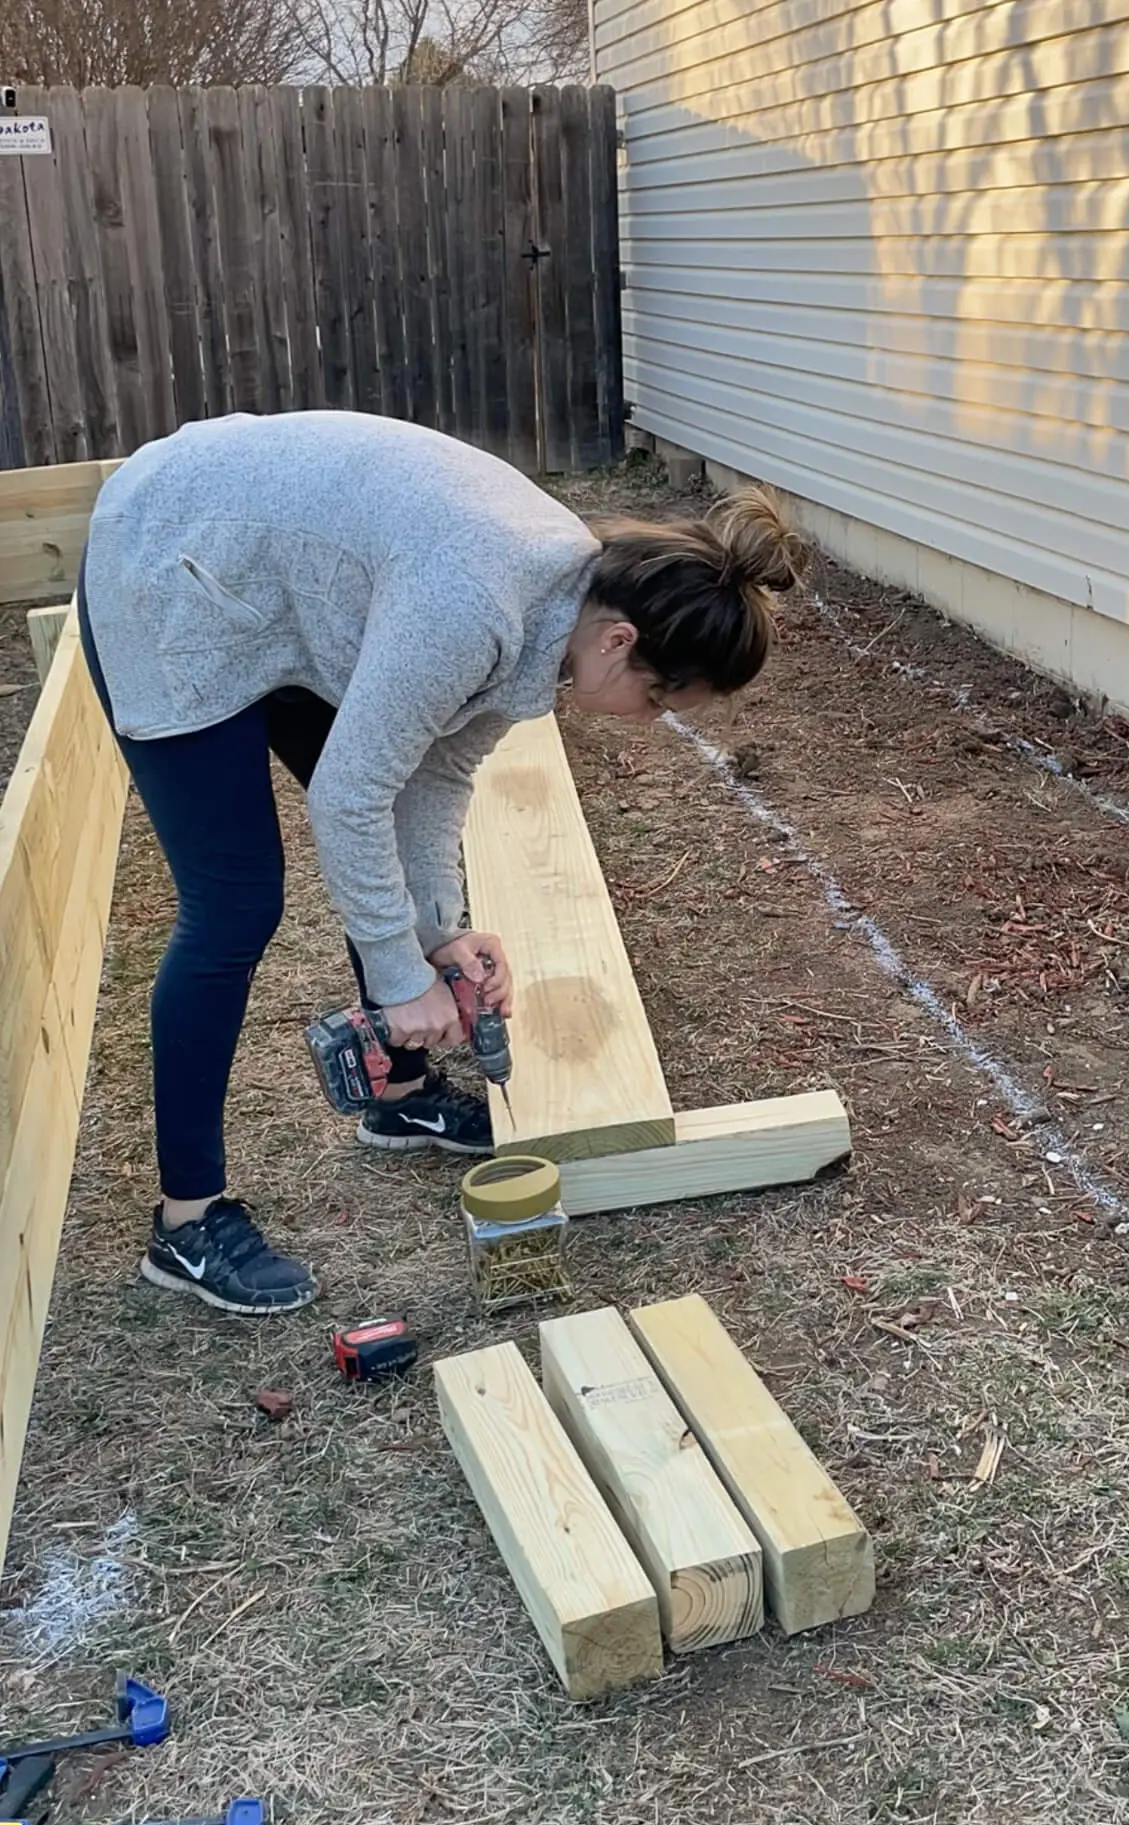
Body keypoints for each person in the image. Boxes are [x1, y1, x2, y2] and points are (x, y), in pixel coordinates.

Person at [77, 409, 807, 1317]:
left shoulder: (556, 618)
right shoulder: (473, 606)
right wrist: (394, 975)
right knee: (234, 905)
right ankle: (185, 1224)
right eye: (660, 699)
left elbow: (435, 775)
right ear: (619, 641)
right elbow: (347, 798)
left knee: (381, 837)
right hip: (175, 561)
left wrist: (439, 938)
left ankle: (402, 1096)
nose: (651, 721)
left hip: (286, 579)